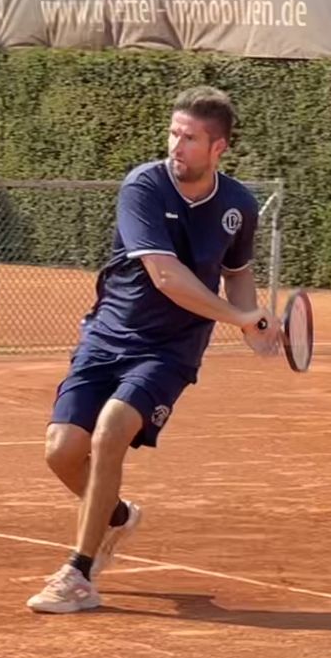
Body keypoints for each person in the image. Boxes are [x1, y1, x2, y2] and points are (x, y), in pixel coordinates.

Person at [27, 86, 277, 614]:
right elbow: (165, 276)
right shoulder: (144, 186)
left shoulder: (238, 206)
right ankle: (117, 518)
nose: (175, 145)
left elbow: (238, 274)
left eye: (189, 138)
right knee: (61, 450)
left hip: (171, 349)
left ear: (218, 149)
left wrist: (249, 321)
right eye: (173, 133)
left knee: (114, 425)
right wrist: (235, 316)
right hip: (108, 335)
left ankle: (79, 574)